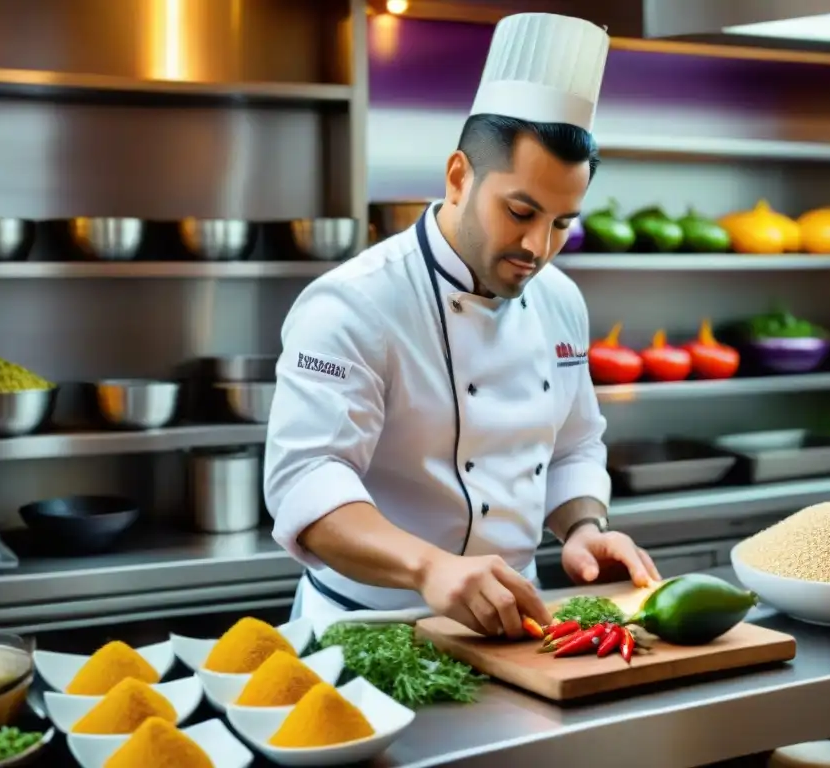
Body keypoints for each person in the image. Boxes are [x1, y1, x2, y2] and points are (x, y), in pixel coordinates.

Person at [264, 12, 661, 639]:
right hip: (368, 633)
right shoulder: (353, 303)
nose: (539, 246)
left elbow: (574, 445)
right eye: (521, 211)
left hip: (514, 632)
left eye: (562, 223)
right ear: (458, 179)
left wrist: (585, 528)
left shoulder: (560, 300)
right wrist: (429, 568)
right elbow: (306, 485)